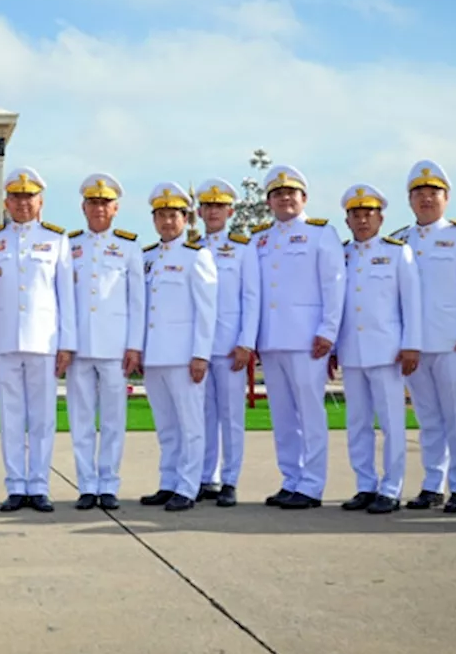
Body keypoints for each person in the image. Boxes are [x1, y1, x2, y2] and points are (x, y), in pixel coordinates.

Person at [390, 160, 456, 513]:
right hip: (413, 347)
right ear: (410, 200)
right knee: (428, 418)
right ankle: (433, 483)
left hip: (452, 344)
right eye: (419, 193)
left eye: (433, 192)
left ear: (446, 198)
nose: (426, 199)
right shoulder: (399, 240)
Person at [0, 167, 75, 513]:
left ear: (40, 201)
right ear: (6, 201)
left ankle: (40, 485)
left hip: (44, 342)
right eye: (16, 197)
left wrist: (67, 343)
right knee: (11, 416)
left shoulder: (57, 241)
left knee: (43, 417)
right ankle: (16, 485)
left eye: (28, 197)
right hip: (4, 341)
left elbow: (66, 299)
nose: (22, 203)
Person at [254, 165, 345, 509]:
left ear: (303, 198)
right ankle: (291, 478)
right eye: (277, 194)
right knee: (283, 417)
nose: (284, 199)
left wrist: (328, 331)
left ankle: (312, 484)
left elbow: (334, 285)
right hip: (272, 339)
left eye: (290, 193)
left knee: (310, 415)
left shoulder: (321, 234)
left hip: (309, 340)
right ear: (269, 202)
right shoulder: (261, 239)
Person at [333, 184, 422, 514]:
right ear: (347, 220)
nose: (361, 220)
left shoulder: (398, 252)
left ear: (381, 217)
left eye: (368, 213)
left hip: (387, 351)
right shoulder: (341, 253)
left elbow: (411, 302)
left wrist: (412, 344)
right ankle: (365, 485)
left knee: (391, 423)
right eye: (355, 215)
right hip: (351, 350)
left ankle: (391, 487)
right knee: (357, 422)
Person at [65, 173, 144, 511]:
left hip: (115, 346)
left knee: (113, 420)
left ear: (116, 208)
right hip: (79, 345)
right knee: (81, 419)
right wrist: (64, 344)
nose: (99, 209)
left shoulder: (129, 247)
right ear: (83, 207)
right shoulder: (69, 246)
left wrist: (134, 345)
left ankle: (108, 484)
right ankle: (86, 485)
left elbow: (137, 300)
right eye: (93, 203)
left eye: (105, 203)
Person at [139, 183, 217, 512]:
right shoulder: (147, 257)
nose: (167, 222)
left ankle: (188, 485)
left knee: (191, 424)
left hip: (185, 356)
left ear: (186, 219)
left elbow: (206, 310)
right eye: (161, 215)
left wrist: (201, 354)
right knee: (166, 425)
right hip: (155, 355)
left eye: (174, 215)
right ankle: (168, 481)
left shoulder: (197, 257)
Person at [193, 178, 260, 508]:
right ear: (199, 211)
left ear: (230, 211)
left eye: (219, 206)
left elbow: (252, 297)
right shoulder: (191, 248)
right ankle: (207, 477)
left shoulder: (243, 249)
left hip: (231, 345)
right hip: (199, 349)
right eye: (208, 206)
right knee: (203, 416)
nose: (213, 211)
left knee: (232, 417)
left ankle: (230, 479)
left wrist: (246, 342)